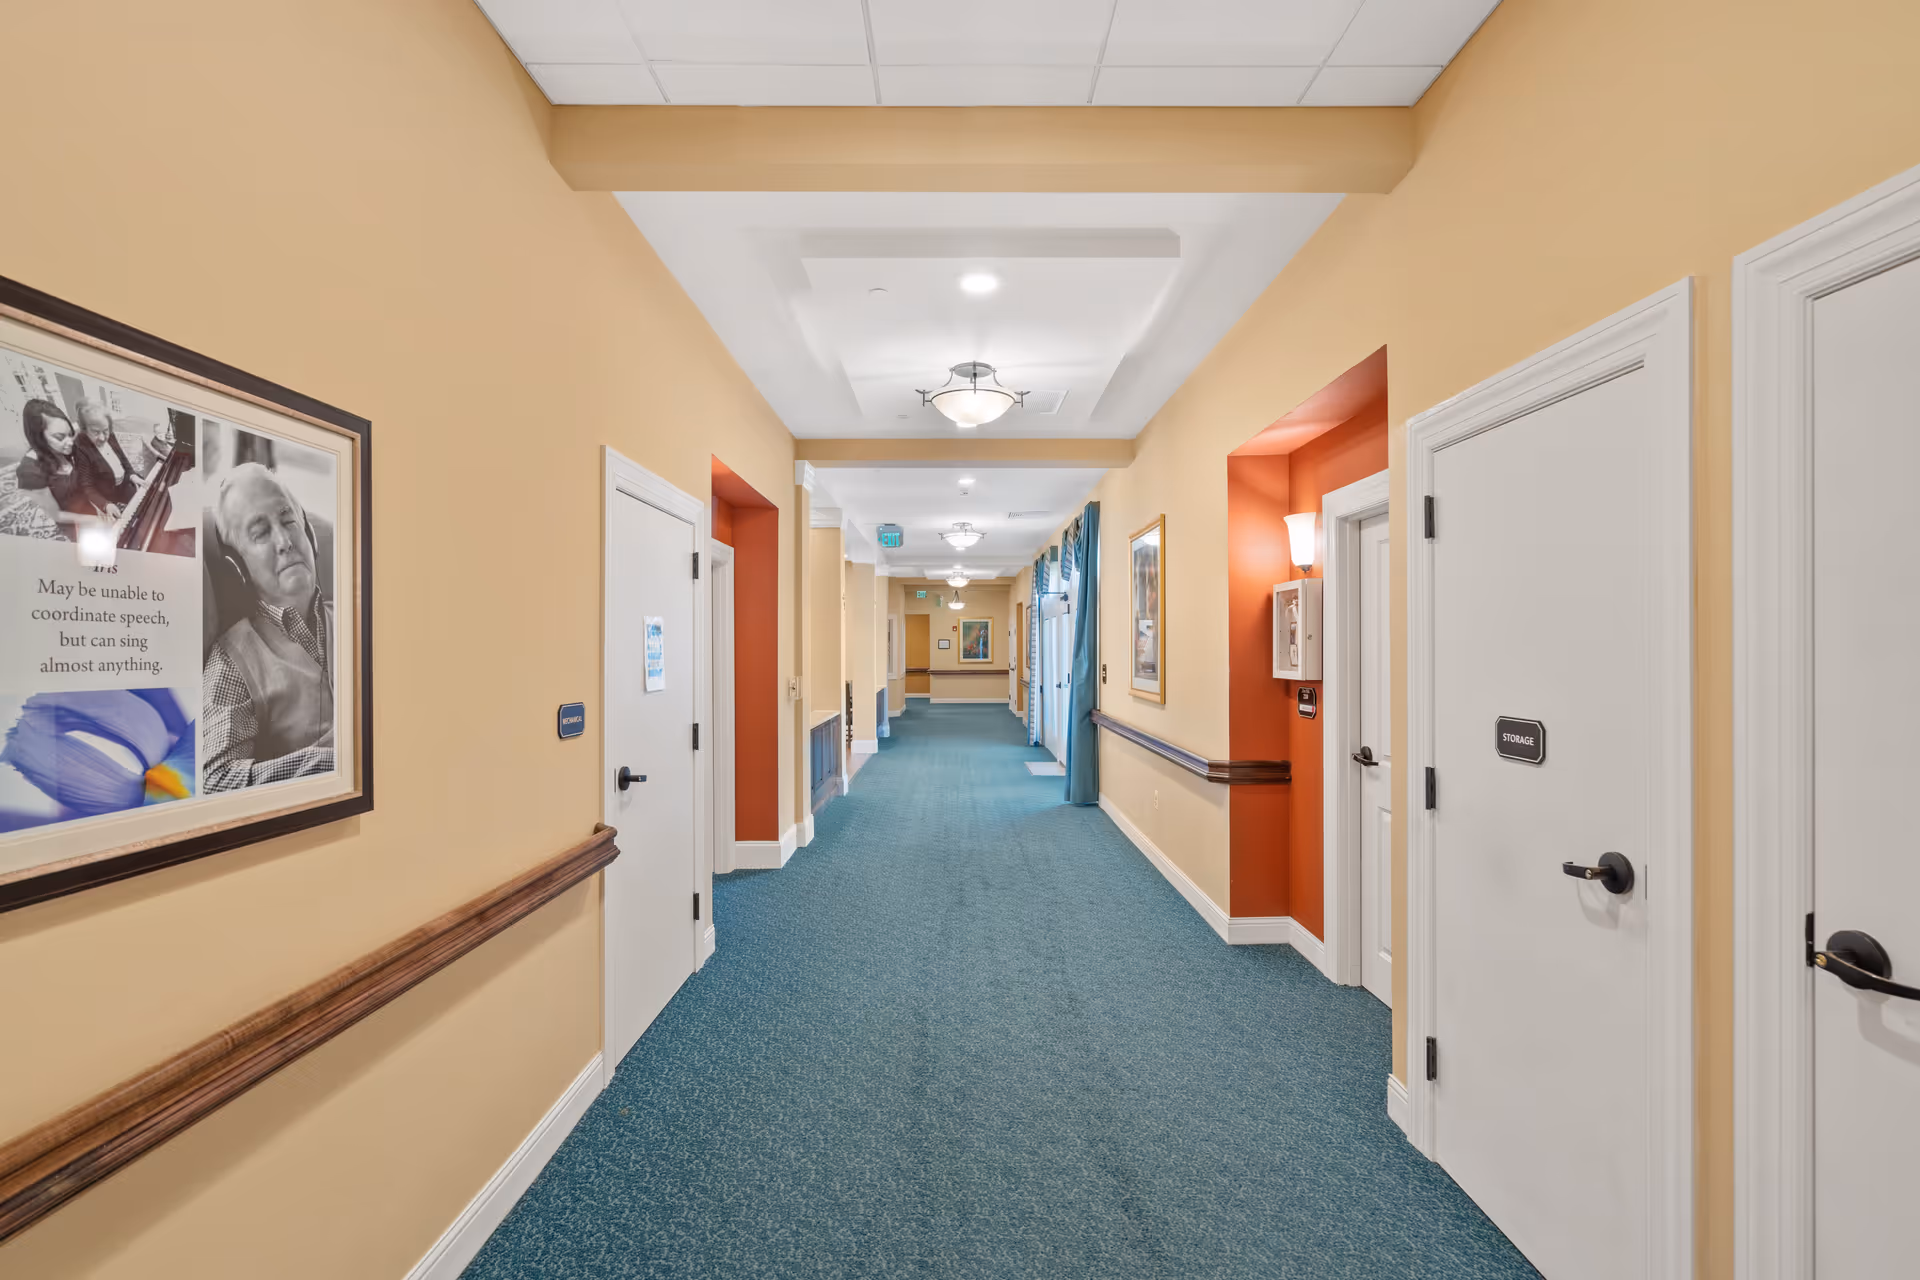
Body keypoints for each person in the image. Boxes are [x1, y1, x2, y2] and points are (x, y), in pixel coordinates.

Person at [202, 462, 334, 791]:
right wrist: (334, 764)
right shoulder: (232, 660)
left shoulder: (361, 620)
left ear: (310, 535)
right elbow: (217, 781)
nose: (285, 541)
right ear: (237, 566)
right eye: (260, 533)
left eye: (289, 521)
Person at [14, 399, 89, 538]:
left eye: (70, 434)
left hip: (87, 504)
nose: (70, 442)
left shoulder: (65, 447)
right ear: (39, 437)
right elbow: (56, 515)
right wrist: (93, 520)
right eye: (60, 437)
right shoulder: (30, 471)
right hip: (71, 520)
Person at [71, 398, 138, 517]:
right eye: (95, 432)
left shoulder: (109, 433)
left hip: (125, 483)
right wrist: (105, 504)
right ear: (84, 430)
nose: (102, 438)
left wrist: (132, 475)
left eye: (105, 431)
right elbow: (86, 486)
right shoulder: (80, 446)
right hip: (107, 495)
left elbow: (122, 458)